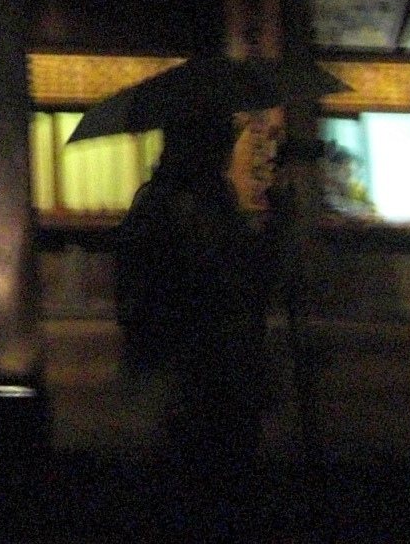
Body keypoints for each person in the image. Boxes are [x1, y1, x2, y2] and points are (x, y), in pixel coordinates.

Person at [115, 106, 284, 537]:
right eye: (221, 140)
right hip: (200, 373)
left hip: (197, 371)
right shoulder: (186, 205)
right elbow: (227, 280)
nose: (227, 150)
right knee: (205, 489)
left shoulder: (170, 201)